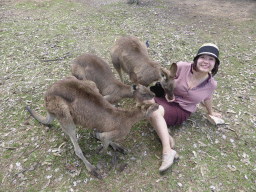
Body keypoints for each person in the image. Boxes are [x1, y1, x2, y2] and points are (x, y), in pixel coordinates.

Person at [148, 43, 222, 172]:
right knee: (144, 100)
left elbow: (207, 98)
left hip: (180, 110)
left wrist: (211, 112)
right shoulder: (182, 67)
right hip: (165, 98)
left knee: (153, 111)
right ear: (196, 59)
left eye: (211, 59)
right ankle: (165, 134)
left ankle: (167, 151)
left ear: (215, 64)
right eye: (203, 57)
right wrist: (167, 92)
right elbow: (166, 81)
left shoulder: (211, 84)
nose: (206, 61)